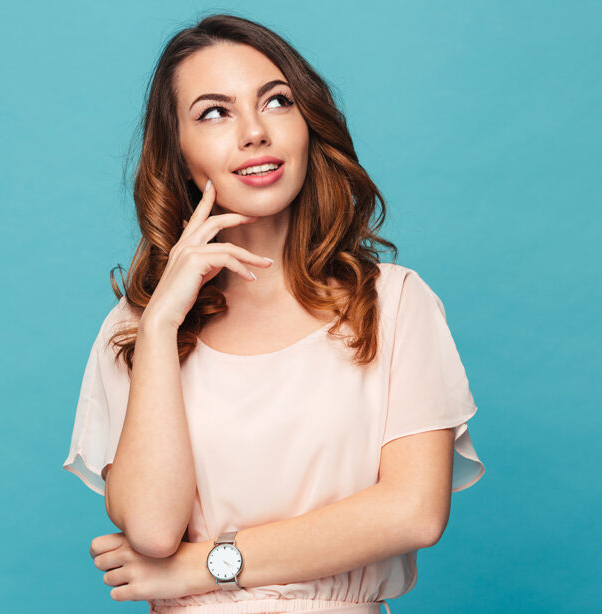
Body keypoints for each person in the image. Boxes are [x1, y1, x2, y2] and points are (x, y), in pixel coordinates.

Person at [62, 13, 485, 614]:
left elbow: (413, 512)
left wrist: (202, 566)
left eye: (277, 102)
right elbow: (154, 530)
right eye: (214, 112)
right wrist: (158, 328)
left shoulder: (393, 302)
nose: (254, 132)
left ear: (308, 127)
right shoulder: (136, 330)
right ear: (178, 156)